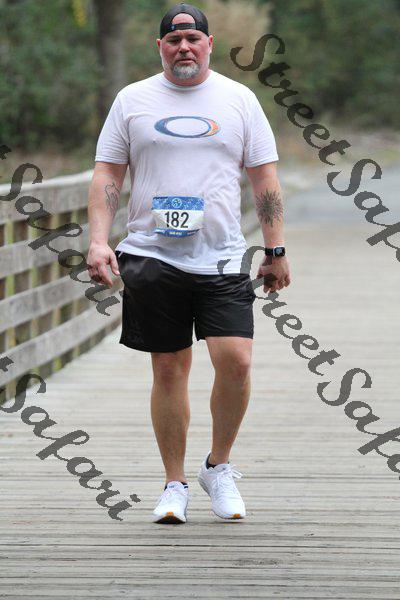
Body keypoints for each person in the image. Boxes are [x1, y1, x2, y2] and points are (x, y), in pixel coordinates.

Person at [87, 2, 291, 524]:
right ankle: (174, 483)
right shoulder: (132, 100)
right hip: (152, 253)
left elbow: (264, 177)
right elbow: (108, 172)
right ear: (160, 47)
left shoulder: (239, 100)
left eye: (193, 39)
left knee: (236, 360)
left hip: (222, 254)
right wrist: (99, 240)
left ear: (208, 44)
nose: (184, 47)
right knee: (169, 366)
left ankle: (217, 467)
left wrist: (275, 249)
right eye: (174, 40)